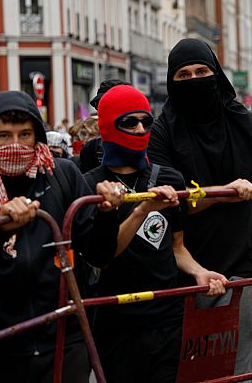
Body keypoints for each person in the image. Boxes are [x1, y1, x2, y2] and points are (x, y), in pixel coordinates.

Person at [147, 38, 252, 375]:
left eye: (202, 71)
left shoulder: (244, 121)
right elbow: (170, 205)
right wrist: (223, 192)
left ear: (216, 73)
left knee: (238, 368)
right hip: (186, 269)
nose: (194, 80)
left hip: (245, 263)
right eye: (183, 75)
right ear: (171, 80)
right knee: (194, 370)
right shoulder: (163, 131)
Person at [0, 90, 123, 383]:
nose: (16, 145)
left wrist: (107, 213)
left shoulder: (63, 176)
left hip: (65, 340)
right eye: (4, 136)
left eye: (25, 134)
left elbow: (99, 254)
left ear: (38, 137)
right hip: (3, 345)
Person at [82, 84, 227, 382]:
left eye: (146, 121)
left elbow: (176, 247)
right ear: (108, 125)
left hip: (168, 316)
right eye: (129, 122)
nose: (139, 129)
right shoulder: (89, 186)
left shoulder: (168, 178)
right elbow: (101, 257)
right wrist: (141, 209)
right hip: (115, 320)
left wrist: (200, 272)